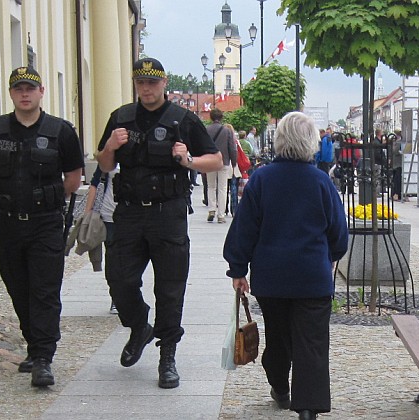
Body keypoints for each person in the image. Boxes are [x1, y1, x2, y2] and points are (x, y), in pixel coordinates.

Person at [95, 57, 222, 389]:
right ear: (135, 85)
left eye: (152, 82)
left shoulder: (182, 119)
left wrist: (188, 160)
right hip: (130, 213)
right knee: (119, 280)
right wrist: (110, 146)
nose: (147, 88)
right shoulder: (121, 118)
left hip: (169, 213)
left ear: (163, 84)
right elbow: (105, 165)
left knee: (170, 287)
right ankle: (139, 325)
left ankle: (168, 355)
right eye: (141, 83)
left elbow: (216, 160)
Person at [223, 112, 348, 420]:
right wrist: (330, 255)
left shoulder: (262, 180)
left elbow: (244, 229)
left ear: (278, 140)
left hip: (271, 278)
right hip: (312, 278)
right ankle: (307, 408)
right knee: (312, 344)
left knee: (278, 338)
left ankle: (279, 385)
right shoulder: (322, 181)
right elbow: (339, 234)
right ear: (311, 143)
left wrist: (238, 269)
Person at [0, 66, 84, 387]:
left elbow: (73, 178)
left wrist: (43, 200)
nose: (24, 94)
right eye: (18, 88)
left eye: (30, 88)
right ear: (11, 93)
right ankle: (34, 345)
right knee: (18, 288)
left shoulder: (60, 131)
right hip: (8, 223)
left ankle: (44, 357)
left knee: (45, 290)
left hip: (46, 223)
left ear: (41, 92)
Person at [84, 165, 119, 314]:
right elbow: (95, 183)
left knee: (132, 258)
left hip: (133, 216)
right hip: (109, 215)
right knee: (112, 258)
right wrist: (87, 214)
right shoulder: (110, 155)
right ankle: (116, 297)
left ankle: (129, 293)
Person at [206, 109, 236, 223]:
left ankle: (212, 209)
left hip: (210, 161)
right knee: (223, 188)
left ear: (211, 117)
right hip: (224, 161)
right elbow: (232, 147)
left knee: (211, 186)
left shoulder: (207, 130)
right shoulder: (227, 130)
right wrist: (234, 162)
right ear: (222, 117)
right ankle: (221, 215)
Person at [391, 129, 403, 200]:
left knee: (396, 180)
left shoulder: (396, 142)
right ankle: (396, 194)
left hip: (396, 163)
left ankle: (395, 194)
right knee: (397, 180)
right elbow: (395, 151)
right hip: (398, 164)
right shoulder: (398, 142)